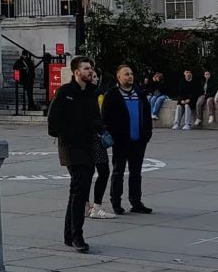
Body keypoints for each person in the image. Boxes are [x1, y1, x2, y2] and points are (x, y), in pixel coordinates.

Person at [47, 54, 99, 253]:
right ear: (76, 72)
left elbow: (95, 117)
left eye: (91, 68)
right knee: (79, 188)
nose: (90, 72)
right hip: (71, 148)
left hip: (88, 146)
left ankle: (69, 234)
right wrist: (67, 134)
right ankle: (77, 235)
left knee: (79, 190)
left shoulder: (92, 91)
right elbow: (52, 121)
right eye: (86, 69)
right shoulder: (65, 92)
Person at [102, 64, 153, 215]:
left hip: (138, 140)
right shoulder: (112, 95)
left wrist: (147, 134)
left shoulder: (139, 93)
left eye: (131, 74)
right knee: (118, 172)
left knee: (136, 172)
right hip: (121, 141)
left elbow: (147, 115)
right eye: (126, 74)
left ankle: (136, 202)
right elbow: (105, 118)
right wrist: (114, 135)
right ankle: (116, 202)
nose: (130, 76)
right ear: (119, 77)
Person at [88, 70, 116, 220]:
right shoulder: (89, 95)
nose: (96, 79)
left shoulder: (93, 94)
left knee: (89, 173)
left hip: (91, 138)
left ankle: (87, 205)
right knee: (103, 171)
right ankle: (96, 207)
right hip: (94, 139)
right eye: (93, 76)